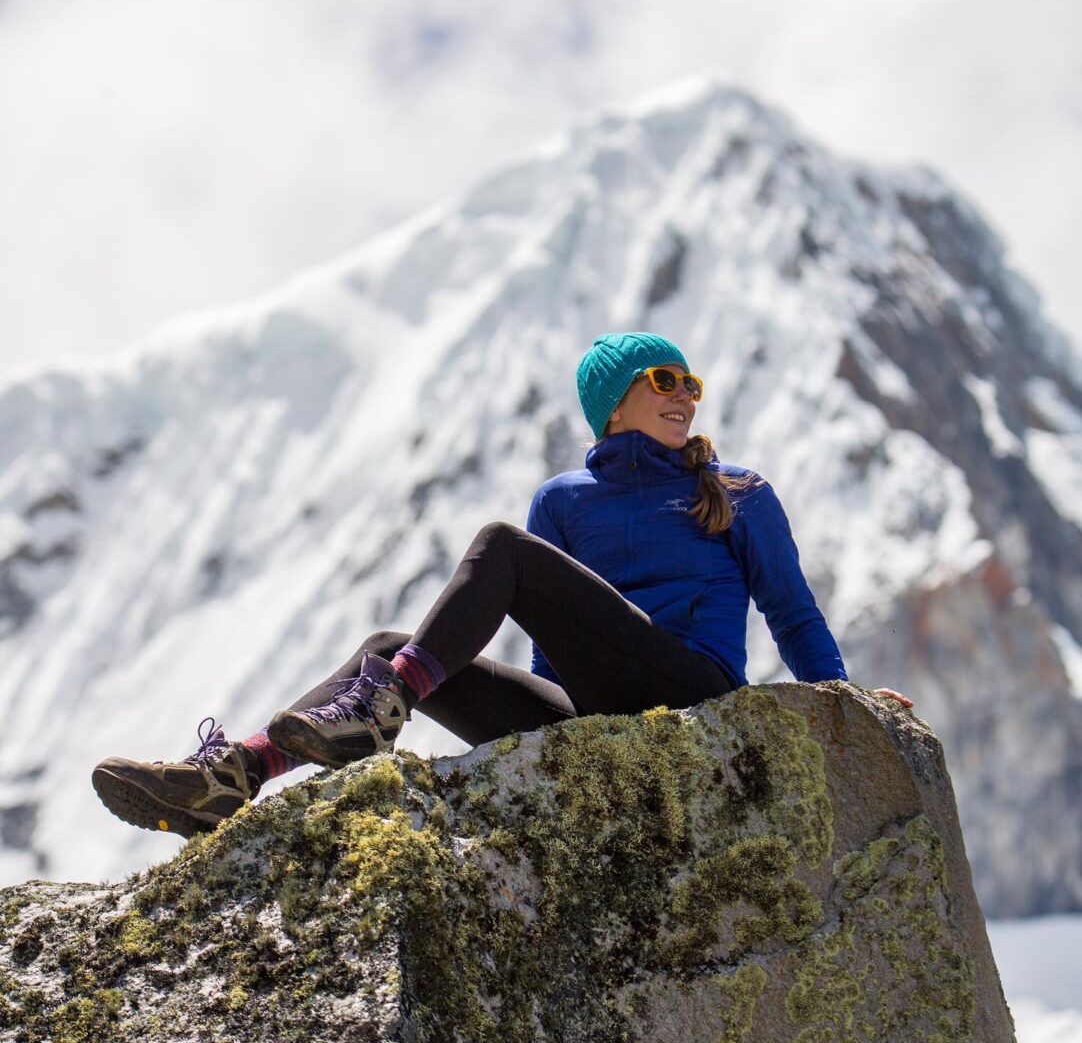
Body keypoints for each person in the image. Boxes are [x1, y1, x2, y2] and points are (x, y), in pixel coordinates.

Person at [93, 332, 910, 838]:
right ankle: (233, 777)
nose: (686, 398)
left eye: (692, 385)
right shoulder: (563, 501)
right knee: (387, 647)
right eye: (666, 380)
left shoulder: (737, 491)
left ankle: (379, 711)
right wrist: (534, 728)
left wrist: (847, 702)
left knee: (498, 551)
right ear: (614, 400)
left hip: (694, 692)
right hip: (593, 711)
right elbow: (554, 643)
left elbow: (792, 612)